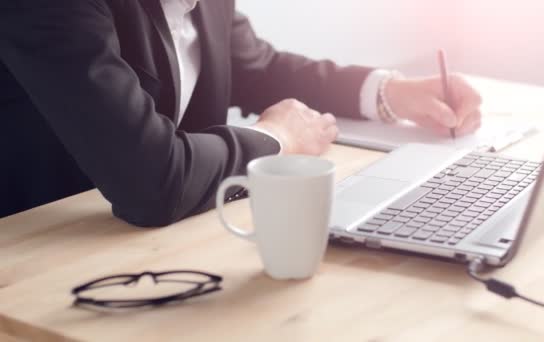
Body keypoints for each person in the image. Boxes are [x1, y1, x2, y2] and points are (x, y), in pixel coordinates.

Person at [0, 0, 481, 226]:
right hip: (32, 254)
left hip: (134, 248)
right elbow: (152, 182)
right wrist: (276, 141)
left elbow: (258, 66)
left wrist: (389, 92)